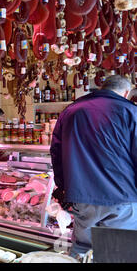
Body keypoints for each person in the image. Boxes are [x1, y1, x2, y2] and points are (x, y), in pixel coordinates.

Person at [50, 75, 137, 258]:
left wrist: (64, 188)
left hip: (82, 197)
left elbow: (56, 153)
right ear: (126, 93)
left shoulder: (71, 110)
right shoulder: (130, 111)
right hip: (121, 198)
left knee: (81, 248)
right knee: (116, 254)